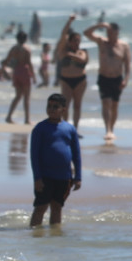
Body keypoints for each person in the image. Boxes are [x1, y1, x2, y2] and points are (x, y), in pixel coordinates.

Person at [29, 93, 82, 227]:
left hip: (64, 177)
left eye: (55, 107)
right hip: (45, 177)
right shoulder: (40, 128)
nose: (51, 109)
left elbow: (76, 154)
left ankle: (55, 236)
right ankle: (35, 234)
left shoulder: (70, 129)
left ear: (64, 109)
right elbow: (34, 155)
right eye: (49, 106)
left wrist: (78, 177)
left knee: (57, 207)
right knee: (41, 207)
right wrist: (37, 178)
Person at [81, 20, 132, 141]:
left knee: (114, 105)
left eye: (112, 33)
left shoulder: (124, 46)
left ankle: (112, 129)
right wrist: (100, 25)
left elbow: (127, 66)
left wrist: (126, 80)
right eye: (108, 32)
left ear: (117, 33)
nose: (110, 35)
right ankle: (107, 130)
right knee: (106, 103)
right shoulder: (102, 42)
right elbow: (86, 33)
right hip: (104, 77)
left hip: (117, 79)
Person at [1, 31, 36, 123]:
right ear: (26, 39)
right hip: (24, 72)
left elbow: (6, 61)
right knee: (26, 97)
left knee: (18, 96)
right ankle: (27, 119)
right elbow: (29, 63)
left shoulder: (14, 49)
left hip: (16, 72)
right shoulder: (27, 49)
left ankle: (9, 116)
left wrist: (1, 71)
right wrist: (33, 76)